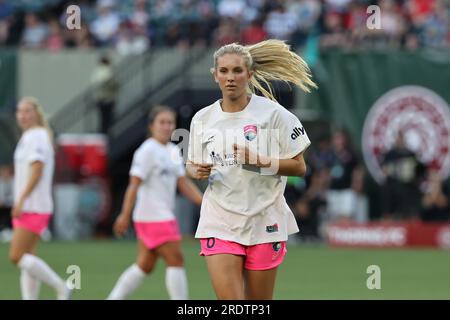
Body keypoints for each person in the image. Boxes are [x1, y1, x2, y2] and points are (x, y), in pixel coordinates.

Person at [186, 39, 316, 300]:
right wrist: (194, 170)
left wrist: (260, 160)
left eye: (237, 71)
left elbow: (300, 167)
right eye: (223, 71)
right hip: (219, 221)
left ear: (250, 74)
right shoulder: (202, 118)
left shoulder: (275, 115)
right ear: (215, 75)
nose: (230, 77)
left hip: (264, 220)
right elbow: (192, 163)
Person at [107, 106, 203, 300]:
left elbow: (183, 183)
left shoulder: (173, 150)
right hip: (153, 217)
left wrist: (206, 202)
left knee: (145, 265)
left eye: (170, 122)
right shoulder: (146, 151)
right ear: (152, 126)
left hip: (156, 216)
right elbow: (133, 185)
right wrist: (124, 215)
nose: (167, 126)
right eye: (162, 122)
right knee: (176, 259)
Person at [9, 97, 71, 300]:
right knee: (28, 257)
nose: (23, 115)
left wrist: (21, 200)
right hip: (31, 205)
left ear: (37, 113)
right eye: (20, 111)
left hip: (33, 205)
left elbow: (37, 170)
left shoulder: (37, 136)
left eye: (28, 111)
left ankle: (61, 286)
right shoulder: (31, 136)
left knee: (16, 256)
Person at [90, 55, 119, 134]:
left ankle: (104, 131)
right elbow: (110, 82)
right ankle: (105, 132)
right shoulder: (108, 71)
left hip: (102, 98)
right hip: (106, 98)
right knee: (107, 117)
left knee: (104, 117)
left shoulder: (98, 71)